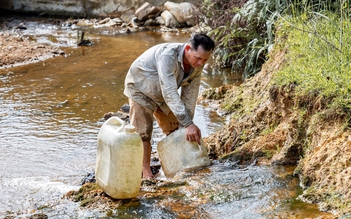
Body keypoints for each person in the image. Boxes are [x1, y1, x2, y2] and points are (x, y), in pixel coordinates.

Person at [124, 33, 215, 179]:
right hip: (140, 86)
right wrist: (188, 123)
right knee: (143, 132)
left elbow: (190, 96)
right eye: (198, 58)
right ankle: (146, 173)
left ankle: (175, 166)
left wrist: (187, 124)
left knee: (176, 129)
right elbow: (170, 92)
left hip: (162, 92)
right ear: (187, 49)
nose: (201, 63)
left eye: (205, 60)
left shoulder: (197, 65)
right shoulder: (168, 56)